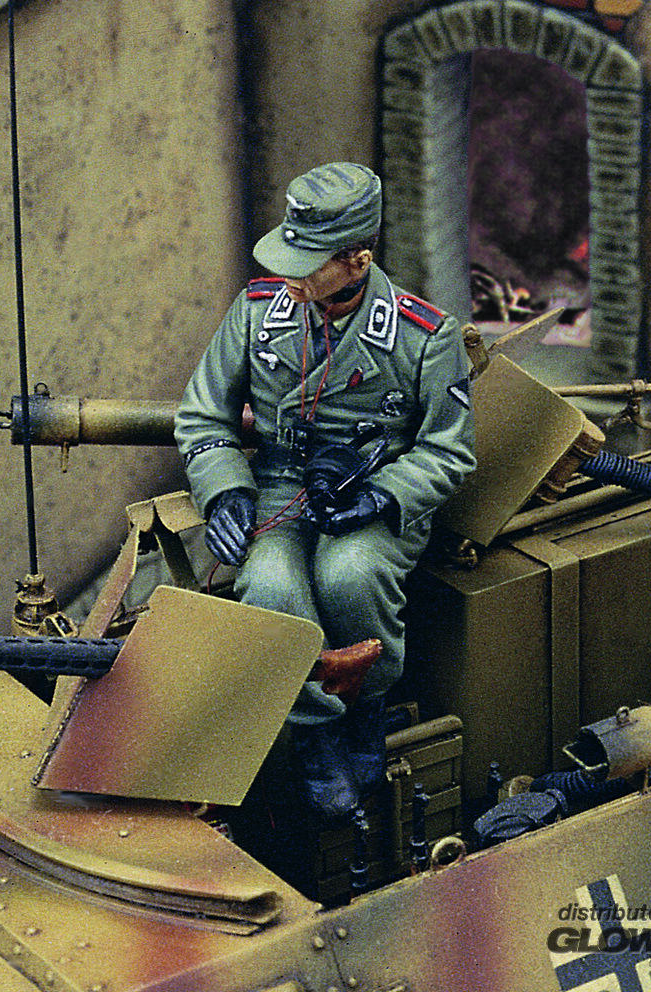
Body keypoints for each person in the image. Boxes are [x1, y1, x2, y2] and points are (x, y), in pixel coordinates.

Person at [174, 162, 475, 819]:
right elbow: (202, 417)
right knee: (270, 585)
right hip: (278, 484)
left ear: (357, 260)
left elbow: (450, 450)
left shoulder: (424, 338)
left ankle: (367, 710)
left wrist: (384, 496)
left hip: (371, 490)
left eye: (309, 264)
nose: (291, 276)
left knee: (351, 576)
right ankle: (316, 732)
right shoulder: (257, 314)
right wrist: (224, 490)